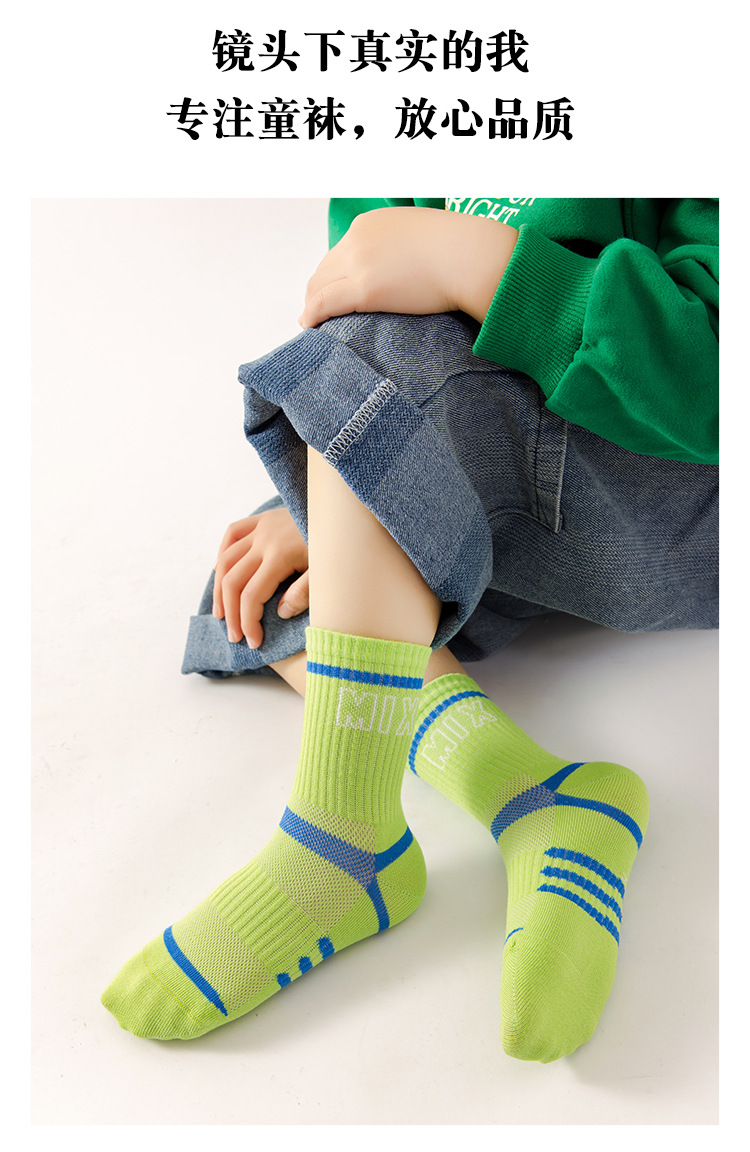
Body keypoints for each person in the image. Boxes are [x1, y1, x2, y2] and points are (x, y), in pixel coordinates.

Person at [101, 198, 718, 1063]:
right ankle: (531, 797)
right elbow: (364, 309)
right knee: (256, 584)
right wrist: (335, 475)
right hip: (544, 477)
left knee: (367, 376)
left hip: (692, 499)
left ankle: (341, 837)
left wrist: (483, 265)